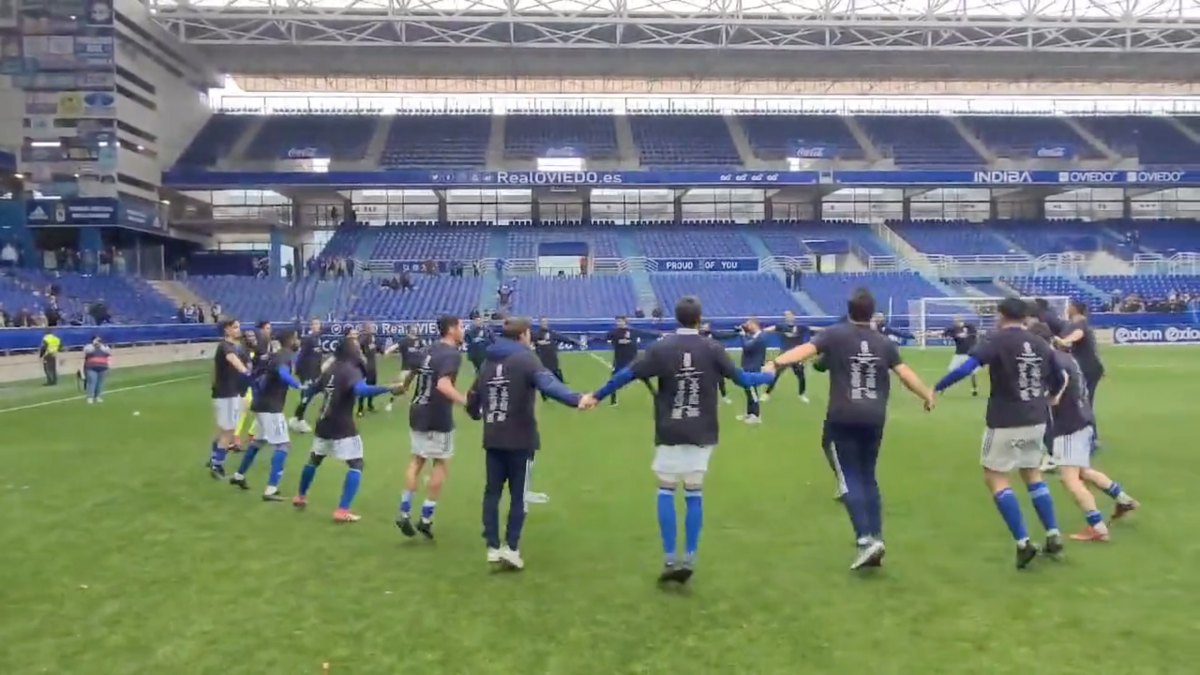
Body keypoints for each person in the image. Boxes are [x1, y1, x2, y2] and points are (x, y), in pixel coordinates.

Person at [591, 296, 774, 584]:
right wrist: (766, 376)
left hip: (670, 428)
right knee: (693, 492)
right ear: (699, 319)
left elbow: (626, 374)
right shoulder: (712, 347)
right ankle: (688, 556)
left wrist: (595, 396)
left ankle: (668, 558)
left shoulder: (661, 347)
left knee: (666, 488)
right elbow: (741, 379)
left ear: (677, 318)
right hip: (702, 430)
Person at [771, 288, 936, 570]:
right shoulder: (883, 342)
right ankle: (877, 536)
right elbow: (905, 373)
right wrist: (927, 394)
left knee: (848, 477)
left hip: (843, 415)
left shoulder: (835, 334)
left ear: (849, 311)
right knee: (868, 476)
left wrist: (776, 362)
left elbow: (804, 350)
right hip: (874, 417)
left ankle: (865, 539)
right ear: (872, 313)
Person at [935, 298, 1067, 570]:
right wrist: (1051, 397)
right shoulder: (1041, 343)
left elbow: (966, 367)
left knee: (995, 478)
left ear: (1001, 315)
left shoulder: (997, 340)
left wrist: (936, 387)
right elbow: (1060, 376)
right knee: (1032, 474)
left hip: (1006, 419)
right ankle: (1053, 533)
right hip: (1037, 418)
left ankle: (1023, 542)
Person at [465, 316, 588, 571]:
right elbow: (548, 383)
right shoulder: (526, 358)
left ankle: (492, 546)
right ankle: (511, 548)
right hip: (520, 438)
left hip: (493, 437)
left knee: (492, 492)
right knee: (518, 495)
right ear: (523, 335)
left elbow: (472, 397)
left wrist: (476, 413)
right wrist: (576, 399)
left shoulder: (488, 361)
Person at [1031, 322, 1139, 541]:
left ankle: (1097, 527)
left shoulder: (1053, 361)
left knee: (1069, 479)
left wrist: (1049, 399)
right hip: (1084, 420)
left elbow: (1059, 386)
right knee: (1082, 471)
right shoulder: (1065, 356)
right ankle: (1123, 499)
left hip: (1069, 425)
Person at [293, 332, 402, 522]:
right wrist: (389, 388)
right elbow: (360, 390)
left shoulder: (330, 369)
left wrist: (300, 411)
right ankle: (342, 510)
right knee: (356, 464)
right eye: (357, 348)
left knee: (315, 459)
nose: (360, 351)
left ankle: (300, 496)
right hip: (341, 424)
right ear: (350, 351)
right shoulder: (351, 370)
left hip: (323, 421)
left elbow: (313, 389)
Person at [395, 315, 467, 540]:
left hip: (417, 410)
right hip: (438, 414)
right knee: (440, 463)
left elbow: (413, 371)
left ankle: (403, 511)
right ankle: (425, 518)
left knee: (416, 460)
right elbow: (443, 385)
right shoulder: (452, 355)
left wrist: (404, 386)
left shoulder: (427, 349)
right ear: (452, 329)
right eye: (461, 326)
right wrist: (467, 402)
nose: (462, 330)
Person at [230, 329, 304, 501]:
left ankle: (238, 476)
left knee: (258, 441)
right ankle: (271, 489)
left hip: (260, 404)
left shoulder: (274, 355)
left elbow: (258, 377)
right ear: (290, 340)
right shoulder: (284, 356)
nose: (297, 341)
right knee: (283, 446)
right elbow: (283, 373)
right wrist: (297, 385)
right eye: (295, 338)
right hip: (271, 408)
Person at [208, 318, 253, 479]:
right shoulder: (225, 346)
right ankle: (216, 464)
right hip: (224, 393)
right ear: (226, 330)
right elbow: (232, 360)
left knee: (223, 428)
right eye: (235, 327)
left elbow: (244, 359)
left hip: (232, 392)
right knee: (228, 430)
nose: (238, 330)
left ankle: (213, 458)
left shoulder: (236, 346)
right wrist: (246, 372)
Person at [1055, 301, 1105, 443]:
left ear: (1074, 309)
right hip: (1088, 367)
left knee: (1083, 402)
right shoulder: (1076, 323)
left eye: (1068, 306)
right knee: (1083, 401)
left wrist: (1064, 341)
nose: (1066, 308)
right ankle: (1087, 436)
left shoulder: (1079, 323)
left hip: (1087, 368)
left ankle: (1090, 438)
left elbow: (1077, 335)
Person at [604, 316, 657, 406]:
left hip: (633, 360)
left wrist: (659, 335)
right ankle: (613, 400)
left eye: (621, 321)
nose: (619, 323)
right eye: (618, 321)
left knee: (645, 377)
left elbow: (646, 334)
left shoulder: (633, 331)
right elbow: (606, 339)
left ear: (625, 322)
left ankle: (656, 396)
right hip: (619, 360)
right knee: (613, 380)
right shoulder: (613, 333)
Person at [763, 310, 810, 403]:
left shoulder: (801, 327)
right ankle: (766, 394)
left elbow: (813, 329)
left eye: (789, 315)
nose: (788, 317)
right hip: (785, 355)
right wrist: (760, 332)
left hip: (796, 355)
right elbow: (769, 329)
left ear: (794, 316)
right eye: (786, 315)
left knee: (801, 376)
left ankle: (802, 394)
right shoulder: (781, 326)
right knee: (776, 374)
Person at [289, 319, 324, 433]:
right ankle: (299, 420)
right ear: (311, 326)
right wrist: (296, 368)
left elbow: (317, 356)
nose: (317, 326)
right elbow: (301, 355)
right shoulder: (308, 339)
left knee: (311, 394)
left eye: (318, 324)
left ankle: (296, 418)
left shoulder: (317, 338)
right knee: (306, 395)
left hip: (314, 371)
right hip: (307, 372)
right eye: (314, 324)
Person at [736, 319, 769, 424]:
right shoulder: (755, 336)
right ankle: (750, 413)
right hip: (748, 367)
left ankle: (756, 415)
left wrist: (742, 335)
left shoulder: (761, 337)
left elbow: (747, 347)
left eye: (749, 325)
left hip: (753, 368)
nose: (747, 327)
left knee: (752, 392)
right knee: (748, 391)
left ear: (754, 325)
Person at [233, 329, 260, 452]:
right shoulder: (241, 351)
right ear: (244, 338)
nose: (253, 338)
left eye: (253, 336)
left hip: (256, 384)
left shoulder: (257, 350)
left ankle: (251, 435)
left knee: (260, 411)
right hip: (244, 386)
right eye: (249, 336)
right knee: (243, 411)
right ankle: (236, 438)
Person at [385, 325, 422, 413]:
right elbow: (395, 346)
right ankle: (391, 403)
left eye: (415, 329)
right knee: (400, 386)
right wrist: (388, 351)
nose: (415, 330)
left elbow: (424, 350)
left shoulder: (419, 341)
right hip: (406, 368)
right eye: (413, 329)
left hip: (417, 368)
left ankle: (413, 403)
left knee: (418, 387)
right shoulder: (404, 341)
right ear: (409, 331)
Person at [941, 315, 979, 396]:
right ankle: (943, 388)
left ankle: (974, 389)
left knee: (973, 372)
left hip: (969, 354)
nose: (956, 321)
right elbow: (944, 333)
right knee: (950, 370)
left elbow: (975, 335)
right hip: (958, 354)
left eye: (957, 319)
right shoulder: (953, 329)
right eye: (955, 320)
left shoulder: (970, 327)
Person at [700, 322, 737, 404]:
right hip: (704, 360)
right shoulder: (698, 335)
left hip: (714, 360)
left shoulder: (713, 334)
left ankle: (724, 396)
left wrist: (735, 333)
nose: (706, 327)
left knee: (720, 380)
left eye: (707, 326)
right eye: (704, 326)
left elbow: (724, 335)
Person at [356, 322, 384, 417]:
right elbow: (358, 351)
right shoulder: (362, 338)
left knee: (372, 386)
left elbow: (379, 349)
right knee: (364, 388)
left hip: (372, 366)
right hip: (364, 368)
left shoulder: (373, 338)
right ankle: (360, 409)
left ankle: (370, 405)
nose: (373, 328)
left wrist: (381, 350)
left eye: (373, 327)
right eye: (371, 327)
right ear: (366, 328)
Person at [81, 335, 111, 403]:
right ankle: (90, 397)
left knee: (99, 383)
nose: (98, 342)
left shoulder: (104, 347)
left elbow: (108, 352)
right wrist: (94, 345)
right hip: (91, 367)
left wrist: (100, 346)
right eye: (97, 340)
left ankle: (97, 396)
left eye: (99, 340)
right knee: (92, 382)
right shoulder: (89, 347)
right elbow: (87, 351)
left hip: (102, 367)